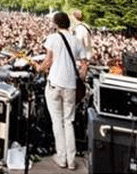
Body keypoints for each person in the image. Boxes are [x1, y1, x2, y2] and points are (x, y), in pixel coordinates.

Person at [36, 12, 88, 171]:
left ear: (55, 24)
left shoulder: (52, 38)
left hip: (55, 83)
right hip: (70, 85)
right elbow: (85, 63)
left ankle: (61, 157)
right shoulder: (76, 40)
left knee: (57, 122)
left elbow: (48, 59)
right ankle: (71, 161)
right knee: (69, 122)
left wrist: (40, 68)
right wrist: (81, 78)